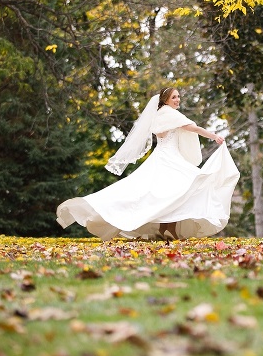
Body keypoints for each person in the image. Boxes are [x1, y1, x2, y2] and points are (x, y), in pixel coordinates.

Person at [56, 87, 240, 241]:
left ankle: (168, 229)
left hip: (165, 157)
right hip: (168, 159)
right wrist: (213, 135)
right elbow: (191, 128)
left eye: (178, 97)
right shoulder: (169, 114)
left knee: (169, 194)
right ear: (166, 100)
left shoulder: (162, 114)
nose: (178, 100)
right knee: (188, 187)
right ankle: (164, 228)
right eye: (174, 97)